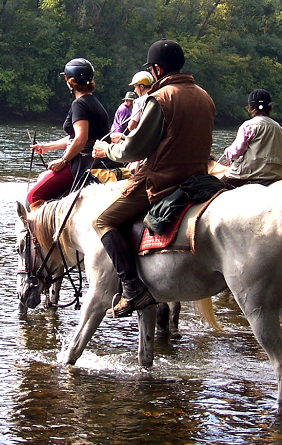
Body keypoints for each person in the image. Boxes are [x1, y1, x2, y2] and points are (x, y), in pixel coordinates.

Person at [91, 39, 215, 318]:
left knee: (103, 221)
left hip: (162, 181)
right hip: (198, 178)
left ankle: (133, 288)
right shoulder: (205, 96)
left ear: (157, 69)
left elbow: (134, 149)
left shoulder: (159, 99)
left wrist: (106, 149)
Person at [27, 58, 122, 209]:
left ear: (70, 82)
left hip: (81, 164)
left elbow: (80, 139)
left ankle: (43, 232)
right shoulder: (96, 103)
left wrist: (63, 161)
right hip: (96, 161)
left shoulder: (79, 104)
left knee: (33, 196)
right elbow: (77, 137)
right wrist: (47, 147)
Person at [221, 89, 282, 186]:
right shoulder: (278, 127)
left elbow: (237, 152)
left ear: (250, 107)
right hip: (277, 175)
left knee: (217, 187)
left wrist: (228, 152)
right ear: (270, 107)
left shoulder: (248, 126)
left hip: (251, 173)